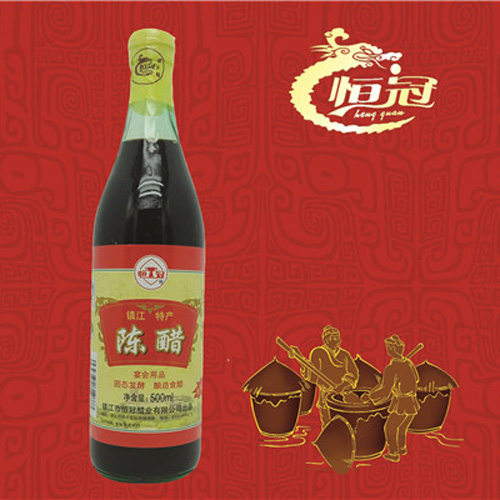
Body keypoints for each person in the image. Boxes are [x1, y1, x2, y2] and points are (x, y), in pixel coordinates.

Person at [368, 334, 420, 462]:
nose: (387, 350)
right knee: (401, 427)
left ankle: (393, 453)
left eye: (388, 347)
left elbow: (386, 390)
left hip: (401, 402)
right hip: (412, 401)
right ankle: (402, 448)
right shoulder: (408, 363)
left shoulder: (391, 368)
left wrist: (371, 398)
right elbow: (417, 379)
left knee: (390, 428)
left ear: (392, 349)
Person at [301, 326, 359, 428]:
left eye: (338, 337)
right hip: (326, 394)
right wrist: (303, 363)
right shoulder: (318, 353)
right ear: (326, 339)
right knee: (327, 423)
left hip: (342, 395)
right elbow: (313, 377)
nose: (337, 340)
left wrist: (343, 385)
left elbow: (353, 372)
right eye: (333, 337)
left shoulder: (344, 354)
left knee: (343, 423)